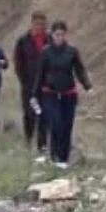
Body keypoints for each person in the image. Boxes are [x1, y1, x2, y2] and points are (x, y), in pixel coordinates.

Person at [32, 20, 93, 169]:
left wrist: (88, 86)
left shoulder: (72, 51)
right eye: (57, 34)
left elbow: (80, 70)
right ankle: (55, 156)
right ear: (52, 35)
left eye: (62, 34)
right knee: (56, 124)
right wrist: (34, 94)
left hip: (68, 94)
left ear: (66, 35)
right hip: (50, 94)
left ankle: (64, 159)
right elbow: (39, 74)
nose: (59, 37)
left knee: (67, 126)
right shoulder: (46, 52)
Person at [15, 12, 51, 156]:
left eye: (42, 24)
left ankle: (42, 146)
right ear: (32, 24)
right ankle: (28, 140)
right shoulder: (23, 41)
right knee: (30, 114)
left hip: (46, 85)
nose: (40, 26)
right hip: (29, 85)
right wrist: (24, 80)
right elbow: (18, 62)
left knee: (44, 115)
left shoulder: (50, 41)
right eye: (37, 23)